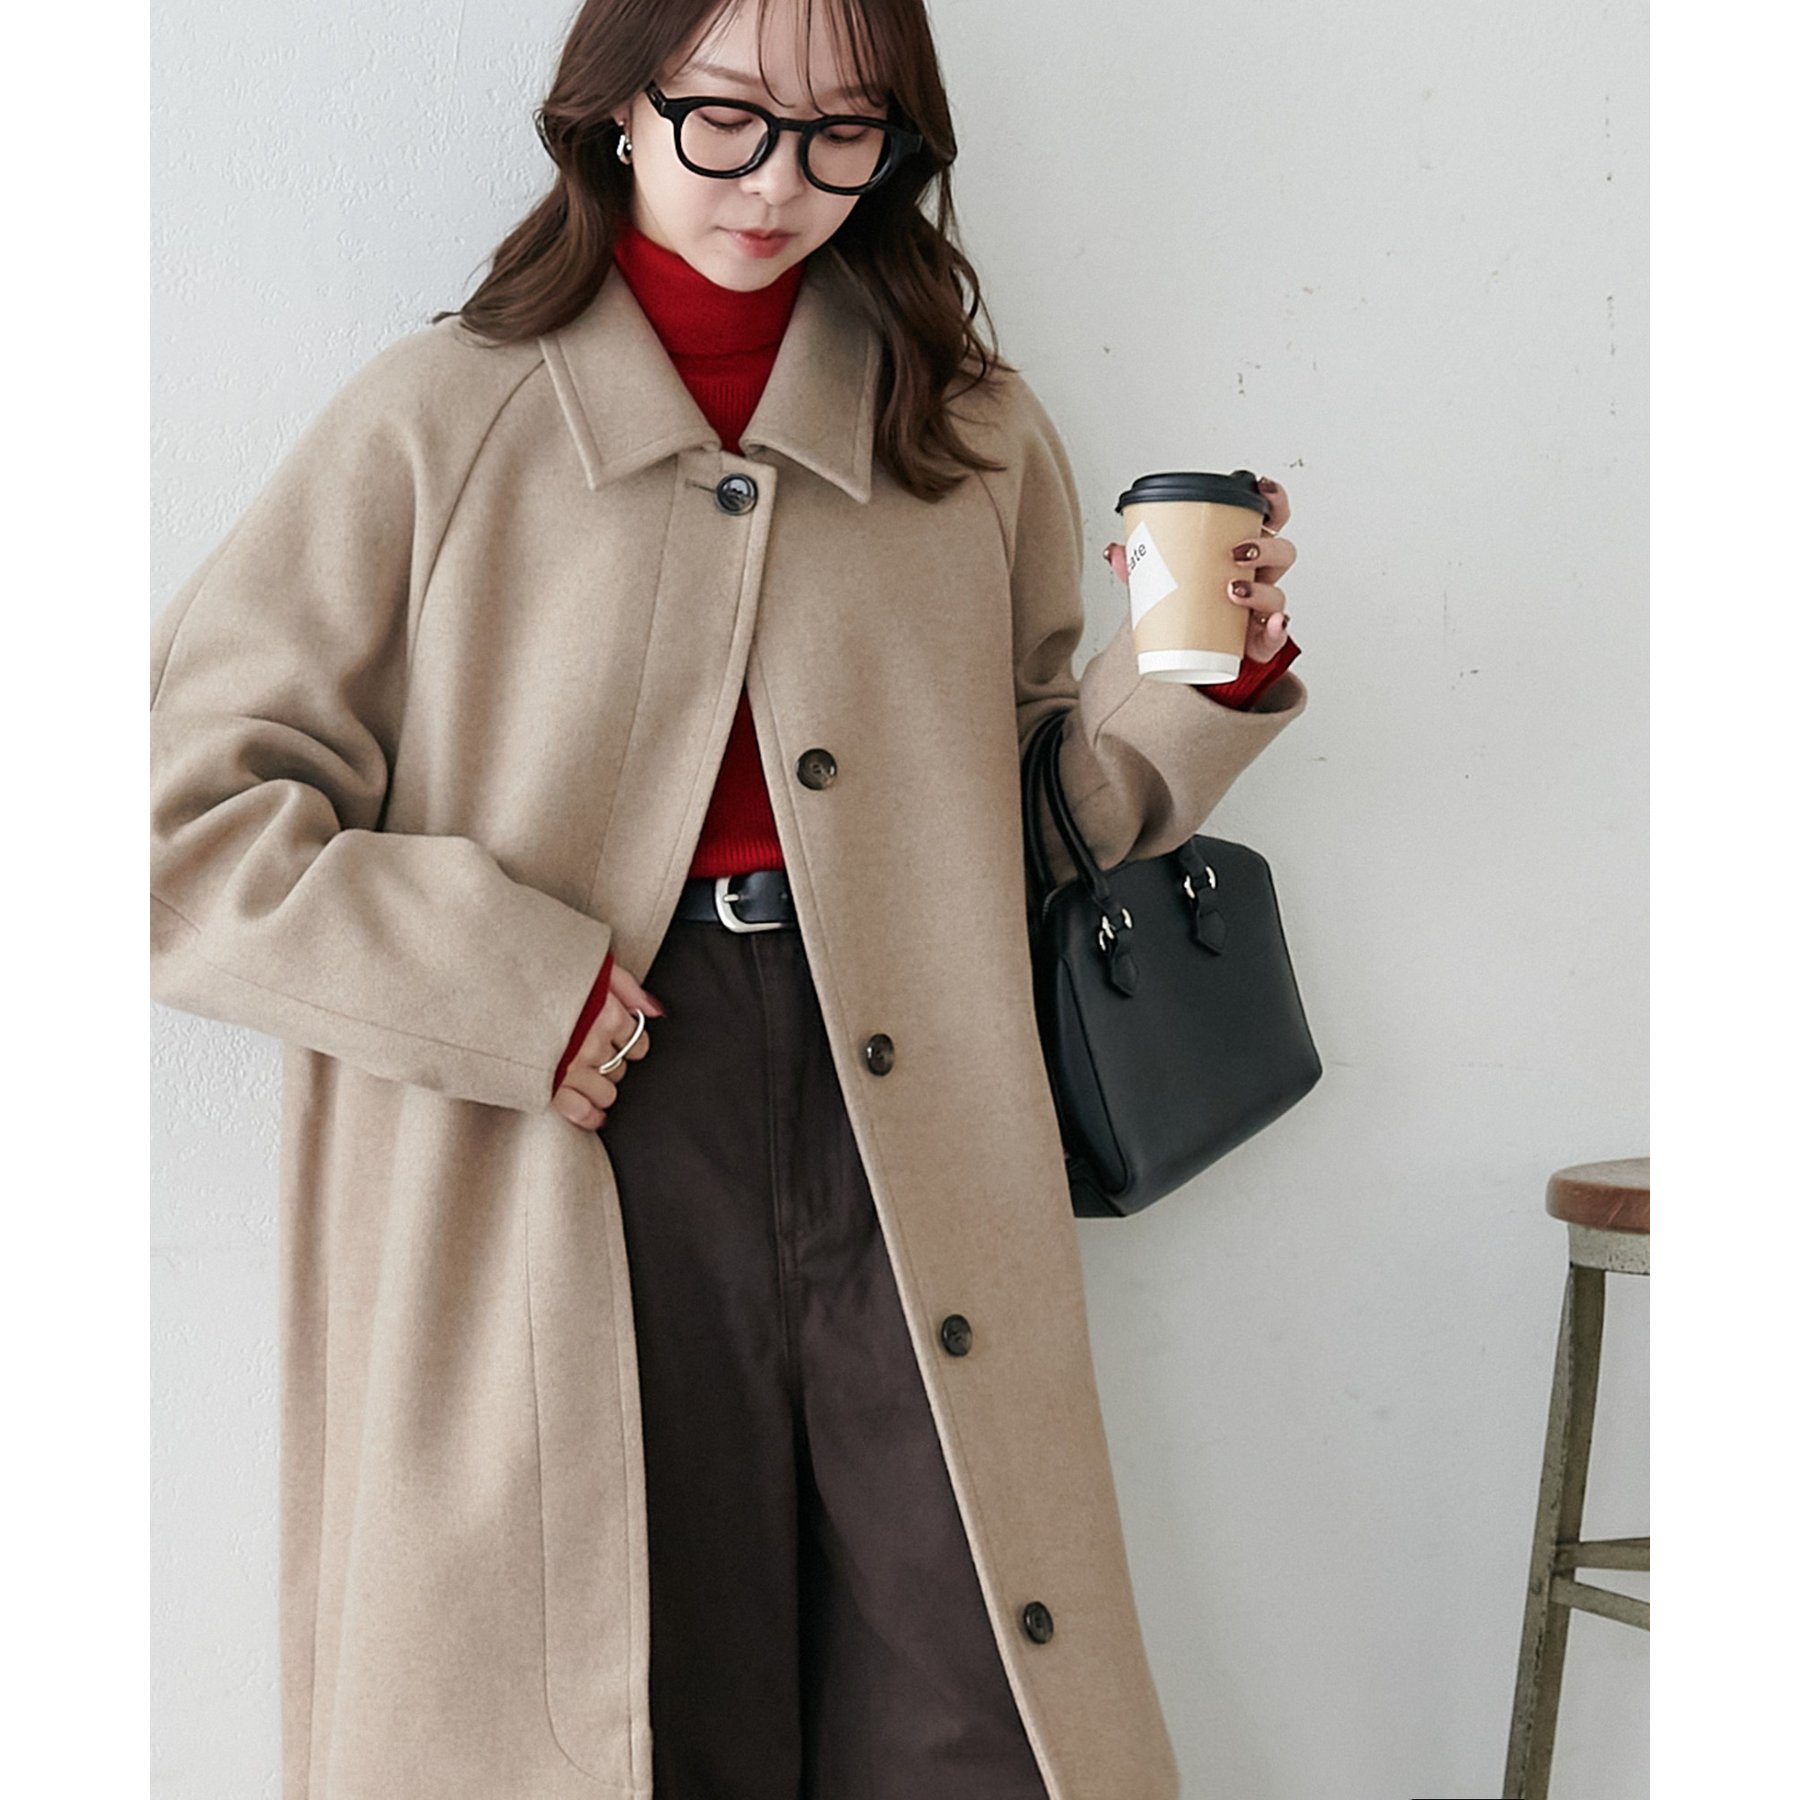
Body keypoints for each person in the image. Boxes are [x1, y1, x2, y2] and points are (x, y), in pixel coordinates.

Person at [149, 1, 1308, 1795]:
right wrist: (508, 988)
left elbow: (1018, 824)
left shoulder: (967, 433)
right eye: (728, 120)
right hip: (582, 1114)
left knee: (970, 1690)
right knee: (631, 1686)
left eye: (844, 133)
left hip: (908, 1117)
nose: (778, 183)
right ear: (617, 108)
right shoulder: (436, 421)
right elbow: (178, 821)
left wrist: (1198, 685)